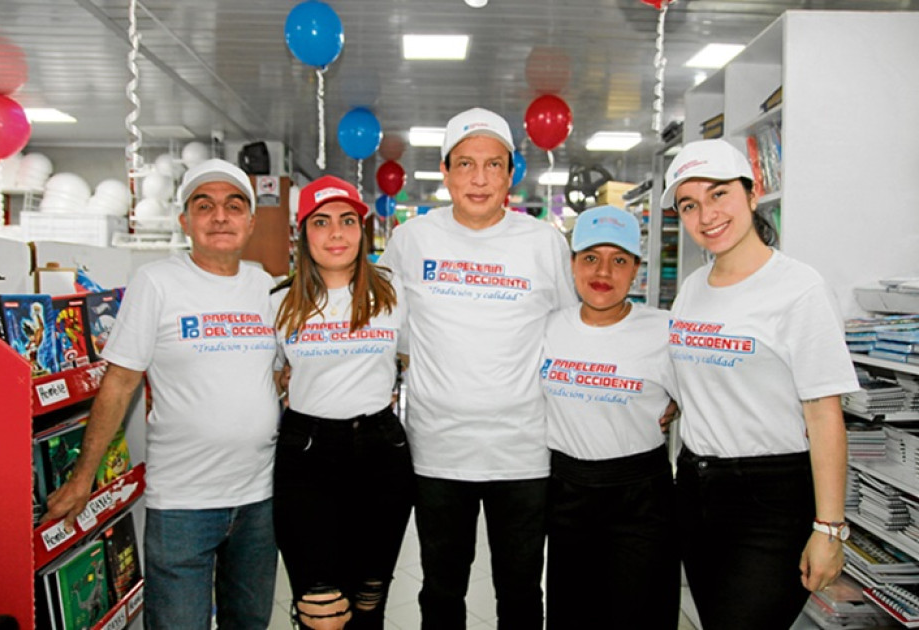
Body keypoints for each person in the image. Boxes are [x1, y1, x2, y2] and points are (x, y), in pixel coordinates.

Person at [42, 158, 281, 630]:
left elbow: (277, 376)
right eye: (204, 205)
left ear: (250, 222)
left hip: (259, 500)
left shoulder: (265, 285)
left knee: (250, 622)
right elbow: (120, 383)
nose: (219, 217)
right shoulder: (157, 283)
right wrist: (83, 477)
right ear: (184, 221)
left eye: (234, 206)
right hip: (183, 504)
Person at [380, 107, 577, 629]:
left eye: (494, 165)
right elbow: (380, 329)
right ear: (445, 172)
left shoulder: (544, 244)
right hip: (438, 450)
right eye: (466, 164)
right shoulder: (410, 241)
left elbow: (572, 333)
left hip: (524, 451)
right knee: (441, 588)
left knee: (518, 590)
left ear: (512, 173)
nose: (480, 178)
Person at [663, 139, 858, 630]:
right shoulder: (692, 287)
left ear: (752, 194)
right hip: (696, 488)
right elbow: (696, 373)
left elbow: (824, 415)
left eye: (719, 194)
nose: (706, 214)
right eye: (690, 204)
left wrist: (829, 529)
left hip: (770, 500)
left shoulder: (798, 288)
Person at [271, 175, 413, 630]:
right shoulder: (277, 301)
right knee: (323, 612)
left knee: (369, 602)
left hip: (381, 453)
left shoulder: (393, 294)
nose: (336, 233)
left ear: (362, 229)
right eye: (321, 222)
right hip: (306, 456)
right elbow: (269, 371)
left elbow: (411, 355)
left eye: (347, 220)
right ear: (302, 232)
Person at [541, 205, 680, 629]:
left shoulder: (665, 330)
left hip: (641, 498)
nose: (603, 271)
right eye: (590, 257)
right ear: (572, 264)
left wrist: (676, 404)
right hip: (567, 494)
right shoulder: (548, 327)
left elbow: (710, 393)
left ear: (636, 269)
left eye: (619, 260)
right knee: (570, 615)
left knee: (639, 616)